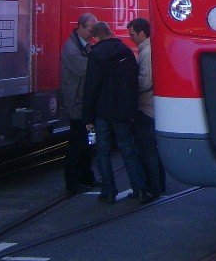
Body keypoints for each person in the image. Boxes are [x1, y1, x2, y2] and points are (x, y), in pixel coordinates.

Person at [82, 22, 151, 203]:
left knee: (102, 152)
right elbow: (132, 83)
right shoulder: (126, 52)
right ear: (111, 33)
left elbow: (91, 88)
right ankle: (140, 189)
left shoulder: (95, 55)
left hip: (102, 112)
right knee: (128, 150)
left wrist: (87, 115)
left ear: (96, 37)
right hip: (122, 112)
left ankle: (108, 191)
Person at [60, 13, 100, 194]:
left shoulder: (83, 45)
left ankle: (86, 175)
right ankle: (73, 181)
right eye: (91, 30)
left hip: (85, 104)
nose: (93, 34)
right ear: (81, 27)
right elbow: (87, 69)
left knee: (88, 142)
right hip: (78, 105)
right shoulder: (72, 49)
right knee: (78, 143)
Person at [128, 17, 166, 198]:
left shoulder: (146, 52)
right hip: (151, 106)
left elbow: (145, 81)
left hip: (146, 107)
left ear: (142, 33)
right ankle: (158, 185)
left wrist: (130, 88)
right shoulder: (148, 50)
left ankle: (154, 187)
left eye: (133, 34)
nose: (131, 38)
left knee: (147, 149)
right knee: (151, 149)